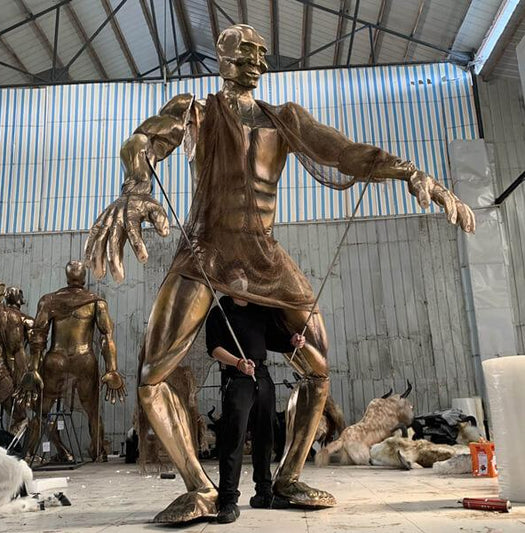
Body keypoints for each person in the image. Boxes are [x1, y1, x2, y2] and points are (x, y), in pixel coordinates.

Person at [84, 24, 475, 524]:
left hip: (264, 253)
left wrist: (411, 171)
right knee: (151, 376)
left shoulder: (285, 119)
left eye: (261, 53)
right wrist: (136, 186)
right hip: (206, 248)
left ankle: (287, 478)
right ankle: (202, 489)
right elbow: (141, 141)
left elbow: (345, 152)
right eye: (244, 51)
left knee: (318, 367)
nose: (256, 61)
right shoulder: (196, 111)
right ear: (222, 57)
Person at [205, 269, 305, 523]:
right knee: (234, 437)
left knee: (266, 436)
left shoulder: (259, 309)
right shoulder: (220, 312)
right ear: (227, 283)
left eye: (244, 273)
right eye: (236, 274)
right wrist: (238, 363)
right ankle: (228, 500)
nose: (241, 277)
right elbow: (214, 348)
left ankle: (264, 493)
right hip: (237, 377)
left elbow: (273, 339)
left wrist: (292, 340)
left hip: (261, 376)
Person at [17, 261, 126, 462]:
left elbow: (38, 336)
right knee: (92, 411)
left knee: (41, 411)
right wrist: (112, 368)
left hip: (55, 360)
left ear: (67, 277)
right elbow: (106, 338)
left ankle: (29, 453)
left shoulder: (49, 300)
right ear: (84, 278)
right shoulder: (96, 303)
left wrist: (33, 368)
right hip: (84, 360)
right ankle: (98, 452)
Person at [0, 280, 28, 434]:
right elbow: (18, 350)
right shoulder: (11, 316)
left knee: (20, 416)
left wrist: (23, 380)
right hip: (1, 372)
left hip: (1, 373)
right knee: (20, 416)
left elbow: (18, 350)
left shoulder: (11, 317)